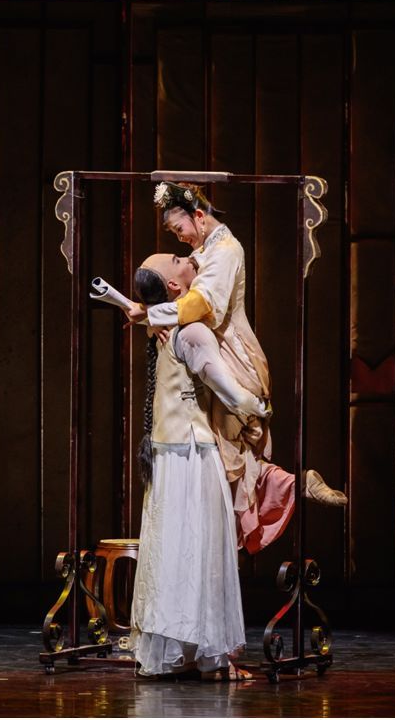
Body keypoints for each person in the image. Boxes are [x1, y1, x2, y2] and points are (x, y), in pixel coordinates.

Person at [126, 183, 346, 554]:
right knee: (229, 456)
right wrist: (153, 317)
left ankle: (289, 488)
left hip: (233, 355)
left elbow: (202, 304)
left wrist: (152, 313)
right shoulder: (204, 250)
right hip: (214, 351)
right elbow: (180, 297)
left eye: (179, 229)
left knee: (231, 456)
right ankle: (291, 487)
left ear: (198, 216)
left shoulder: (226, 250)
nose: (180, 240)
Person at [129, 252, 269, 681]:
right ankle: (210, 656)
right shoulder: (190, 331)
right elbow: (225, 387)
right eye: (177, 259)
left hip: (169, 449)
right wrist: (258, 407)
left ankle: (185, 650)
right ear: (175, 286)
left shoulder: (167, 327)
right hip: (191, 450)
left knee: (177, 546)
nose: (188, 257)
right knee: (201, 544)